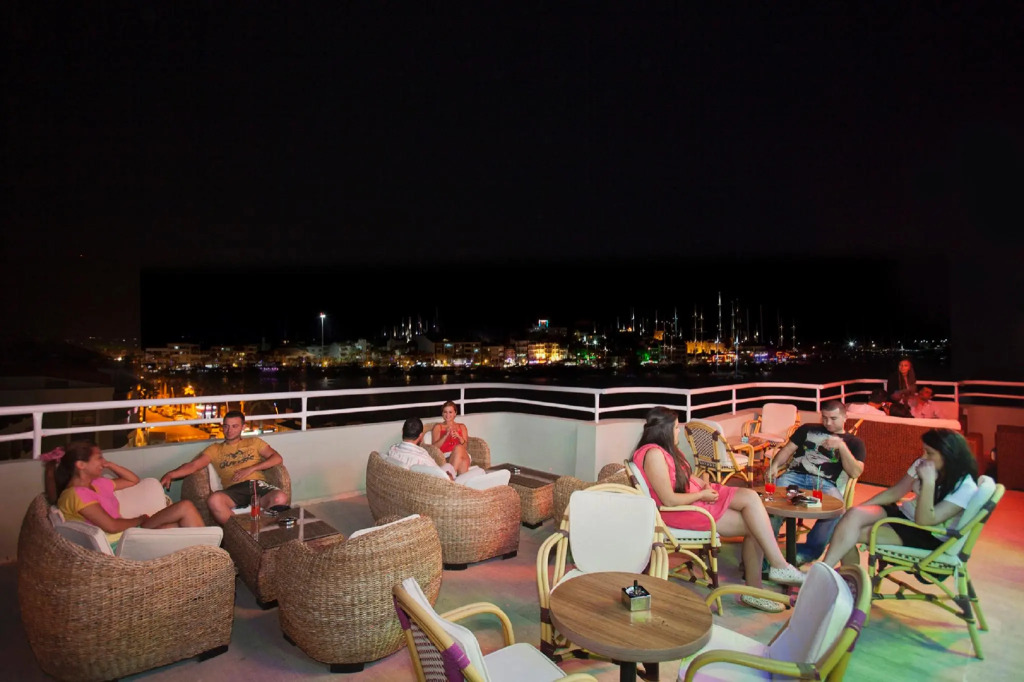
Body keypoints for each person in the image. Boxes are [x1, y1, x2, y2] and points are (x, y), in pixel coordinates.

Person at [632, 407, 805, 613]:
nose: (679, 431)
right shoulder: (653, 454)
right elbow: (669, 500)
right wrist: (701, 495)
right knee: (755, 526)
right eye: (676, 427)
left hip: (695, 498)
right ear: (664, 430)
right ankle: (761, 585)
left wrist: (704, 484)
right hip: (681, 510)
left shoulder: (665, 450)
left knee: (750, 498)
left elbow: (686, 477)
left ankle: (777, 567)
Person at [820, 429, 978, 567]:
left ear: (949, 455)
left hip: (926, 534)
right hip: (903, 514)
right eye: (923, 451)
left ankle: (836, 577)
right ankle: (834, 574)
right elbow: (895, 492)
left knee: (847, 534)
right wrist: (858, 508)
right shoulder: (925, 464)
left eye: (929, 453)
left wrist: (928, 484)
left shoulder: (964, 487)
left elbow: (925, 520)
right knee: (851, 517)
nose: (923, 457)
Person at [53, 440, 204, 550]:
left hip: (129, 533)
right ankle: (208, 557)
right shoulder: (76, 495)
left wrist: (111, 465)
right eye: (99, 457)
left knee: (182, 523)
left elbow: (133, 480)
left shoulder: (98, 484)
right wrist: (140, 519)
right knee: (185, 509)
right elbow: (111, 526)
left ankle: (206, 559)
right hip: (119, 544)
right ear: (81, 465)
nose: (103, 461)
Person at [767, 400, 866, 565]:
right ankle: (766, 551)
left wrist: (841, 446)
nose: (828, 423)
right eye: (825, 418)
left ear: (845, 417)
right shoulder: (807, 429)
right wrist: (775, 465)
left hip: (824, 483)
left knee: (837, 510)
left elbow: (855, 472)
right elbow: (788, 449)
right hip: (794, 476)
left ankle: (806, 552)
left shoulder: (854, 442)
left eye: (833, 418)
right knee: (772, 503)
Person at [160, 410, 289, 524]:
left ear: (243, 427)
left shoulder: (254, 442)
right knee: (214, 500)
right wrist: (171, 474)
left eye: (234, 426)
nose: (229, 430)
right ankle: (238, 533)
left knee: (280, 497)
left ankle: (260, 529)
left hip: (257, 485)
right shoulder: (215, 449)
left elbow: (277, 458)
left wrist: (251, 468)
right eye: (226, 426)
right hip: (234, 490)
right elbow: (193, 465)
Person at [388, 417, 457, 480]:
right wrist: (449, 477)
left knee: (448, 466)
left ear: (402, 431)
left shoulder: (393, 450)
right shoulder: (422, 457)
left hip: (406, 481)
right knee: (450, 468)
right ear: (420, 436)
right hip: (429, 484)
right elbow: (438, 473)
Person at [430, 400, 472, 475]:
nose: (447, 415)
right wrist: (445, 435)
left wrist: (459, 437)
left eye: (450, 412)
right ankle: (456, 478)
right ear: (442, 413)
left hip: (463, 454)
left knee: (459, 448)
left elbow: (465, 446)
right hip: (446, 457)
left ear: (455, 413)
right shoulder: (438, 427)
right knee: (461, 461)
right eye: (445, 412)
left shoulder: (462, 426)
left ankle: (449, 477)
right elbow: (434, 448)